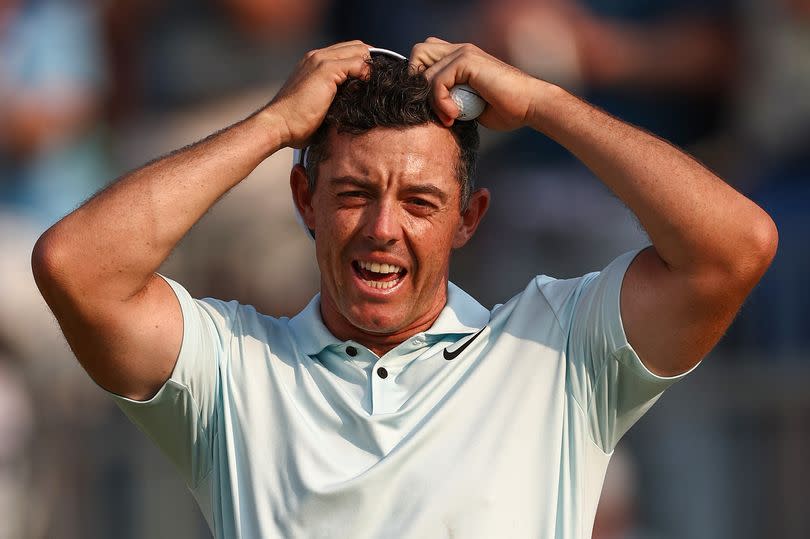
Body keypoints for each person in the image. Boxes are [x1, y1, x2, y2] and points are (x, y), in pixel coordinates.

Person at [31, 39, 777, 538]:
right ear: (303, 201)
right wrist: (271, 123)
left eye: (420, 202)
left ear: (467, 218)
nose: (383, 228)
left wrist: (545, 103)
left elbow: (734, 247)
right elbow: (77, 267)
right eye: (354, 193)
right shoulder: (232, 368)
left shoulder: (556, 348)